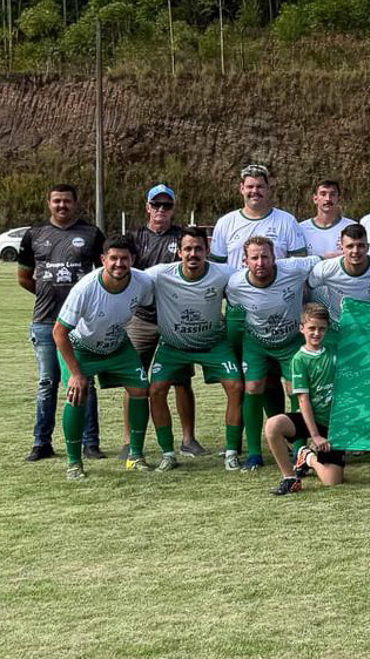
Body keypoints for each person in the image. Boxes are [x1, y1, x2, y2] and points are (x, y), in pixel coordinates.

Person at [306, 223, 370, 473]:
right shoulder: (326, 268)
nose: (355, 251)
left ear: (368, 247)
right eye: (350, 246)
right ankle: (328, 445)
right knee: (331, 388)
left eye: (360, 246)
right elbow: (308, 285)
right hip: (337, 333)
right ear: (341, 247)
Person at [53, 235, 156, 478]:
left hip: (117, 345)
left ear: (133, 259)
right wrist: (76, 373)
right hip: (81, 348)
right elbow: (58, 332)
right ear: (103, 259)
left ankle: (135, 456)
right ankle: (74, 463)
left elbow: (151, 307)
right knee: (76, 395)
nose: (119, 264)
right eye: (113, 258)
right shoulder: (85, 289)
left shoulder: (143, 282)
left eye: (124, 258)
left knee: (141, 389)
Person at [209, 163, 306, 417]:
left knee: (276, 378)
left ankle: (281, 428)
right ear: (241, 188)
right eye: (250, 186)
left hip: (279, 311)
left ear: (268, 188)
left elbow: (299, 267)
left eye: (260, 186)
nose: (255, 191)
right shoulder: (226, 223)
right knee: (243, 381)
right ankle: (241, 436)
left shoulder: (286, 221)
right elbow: (216, 272)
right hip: (239, 312)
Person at [146, 227, 245, 471]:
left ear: (207, 250)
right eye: (187, 249)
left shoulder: (224, 273)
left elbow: (251, 278)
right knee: (156, 389)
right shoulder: (159, 274)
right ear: (179, 252)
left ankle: (232, 452)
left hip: (213, 343)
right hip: (173, 345)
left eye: (198, 249)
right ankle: (168, 454)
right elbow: (130, 280)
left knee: (236, 386)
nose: (193, 254)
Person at [18, 183, 105, 462]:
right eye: (56, 201)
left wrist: (79, 305)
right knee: (48, 382)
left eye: (67, 201)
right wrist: (49, 294)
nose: (62, 205)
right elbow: (24, 277)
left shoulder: (92, 234)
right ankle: (41, 443)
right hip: (45, 320)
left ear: (75, 203)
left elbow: (103, 274)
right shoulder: (34, 235)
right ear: (49, 203)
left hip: (81, 325)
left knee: (84, 381)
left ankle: (90, 443)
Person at [225, 237, 320, 472]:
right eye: (254, 258)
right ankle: (254, 454)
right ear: (245, 261)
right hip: (256, 343)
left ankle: (299, 450)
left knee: (296, 389)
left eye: (265, 256)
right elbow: (235, 314)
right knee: (253, 387)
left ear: (274, 257)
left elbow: (322, 260)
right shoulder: (236, 284)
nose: (260, 262)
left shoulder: (293, 268)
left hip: (290, 342)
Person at [123, 183, 200, 460]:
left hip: (174, 319)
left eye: (167, 205)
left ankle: (188, 439)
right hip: (141, 319)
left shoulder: (182, 237)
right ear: (147, 207)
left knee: (182, 380)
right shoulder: (134, 237)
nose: (161, 210)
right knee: (135, 378)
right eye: (156, 204)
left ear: (173, 209)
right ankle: (130, 441)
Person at [265, 303, 345, 495]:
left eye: (321, 329)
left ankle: (307, 456)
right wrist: (315, 436)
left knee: (332, 481)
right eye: (311, 328)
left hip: (334, 424)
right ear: (302, 329)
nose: (316, 333)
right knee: (273, 425)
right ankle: (289, 478)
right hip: (311, 420)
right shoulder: (299, 360)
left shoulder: (334, 350)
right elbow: (303, 401)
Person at [299, 179, 355, 257]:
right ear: (315, 199)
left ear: (339, 199)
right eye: (323, 194)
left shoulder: (351, 226)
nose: (328, 199)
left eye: (333, 194)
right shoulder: (301, 229)